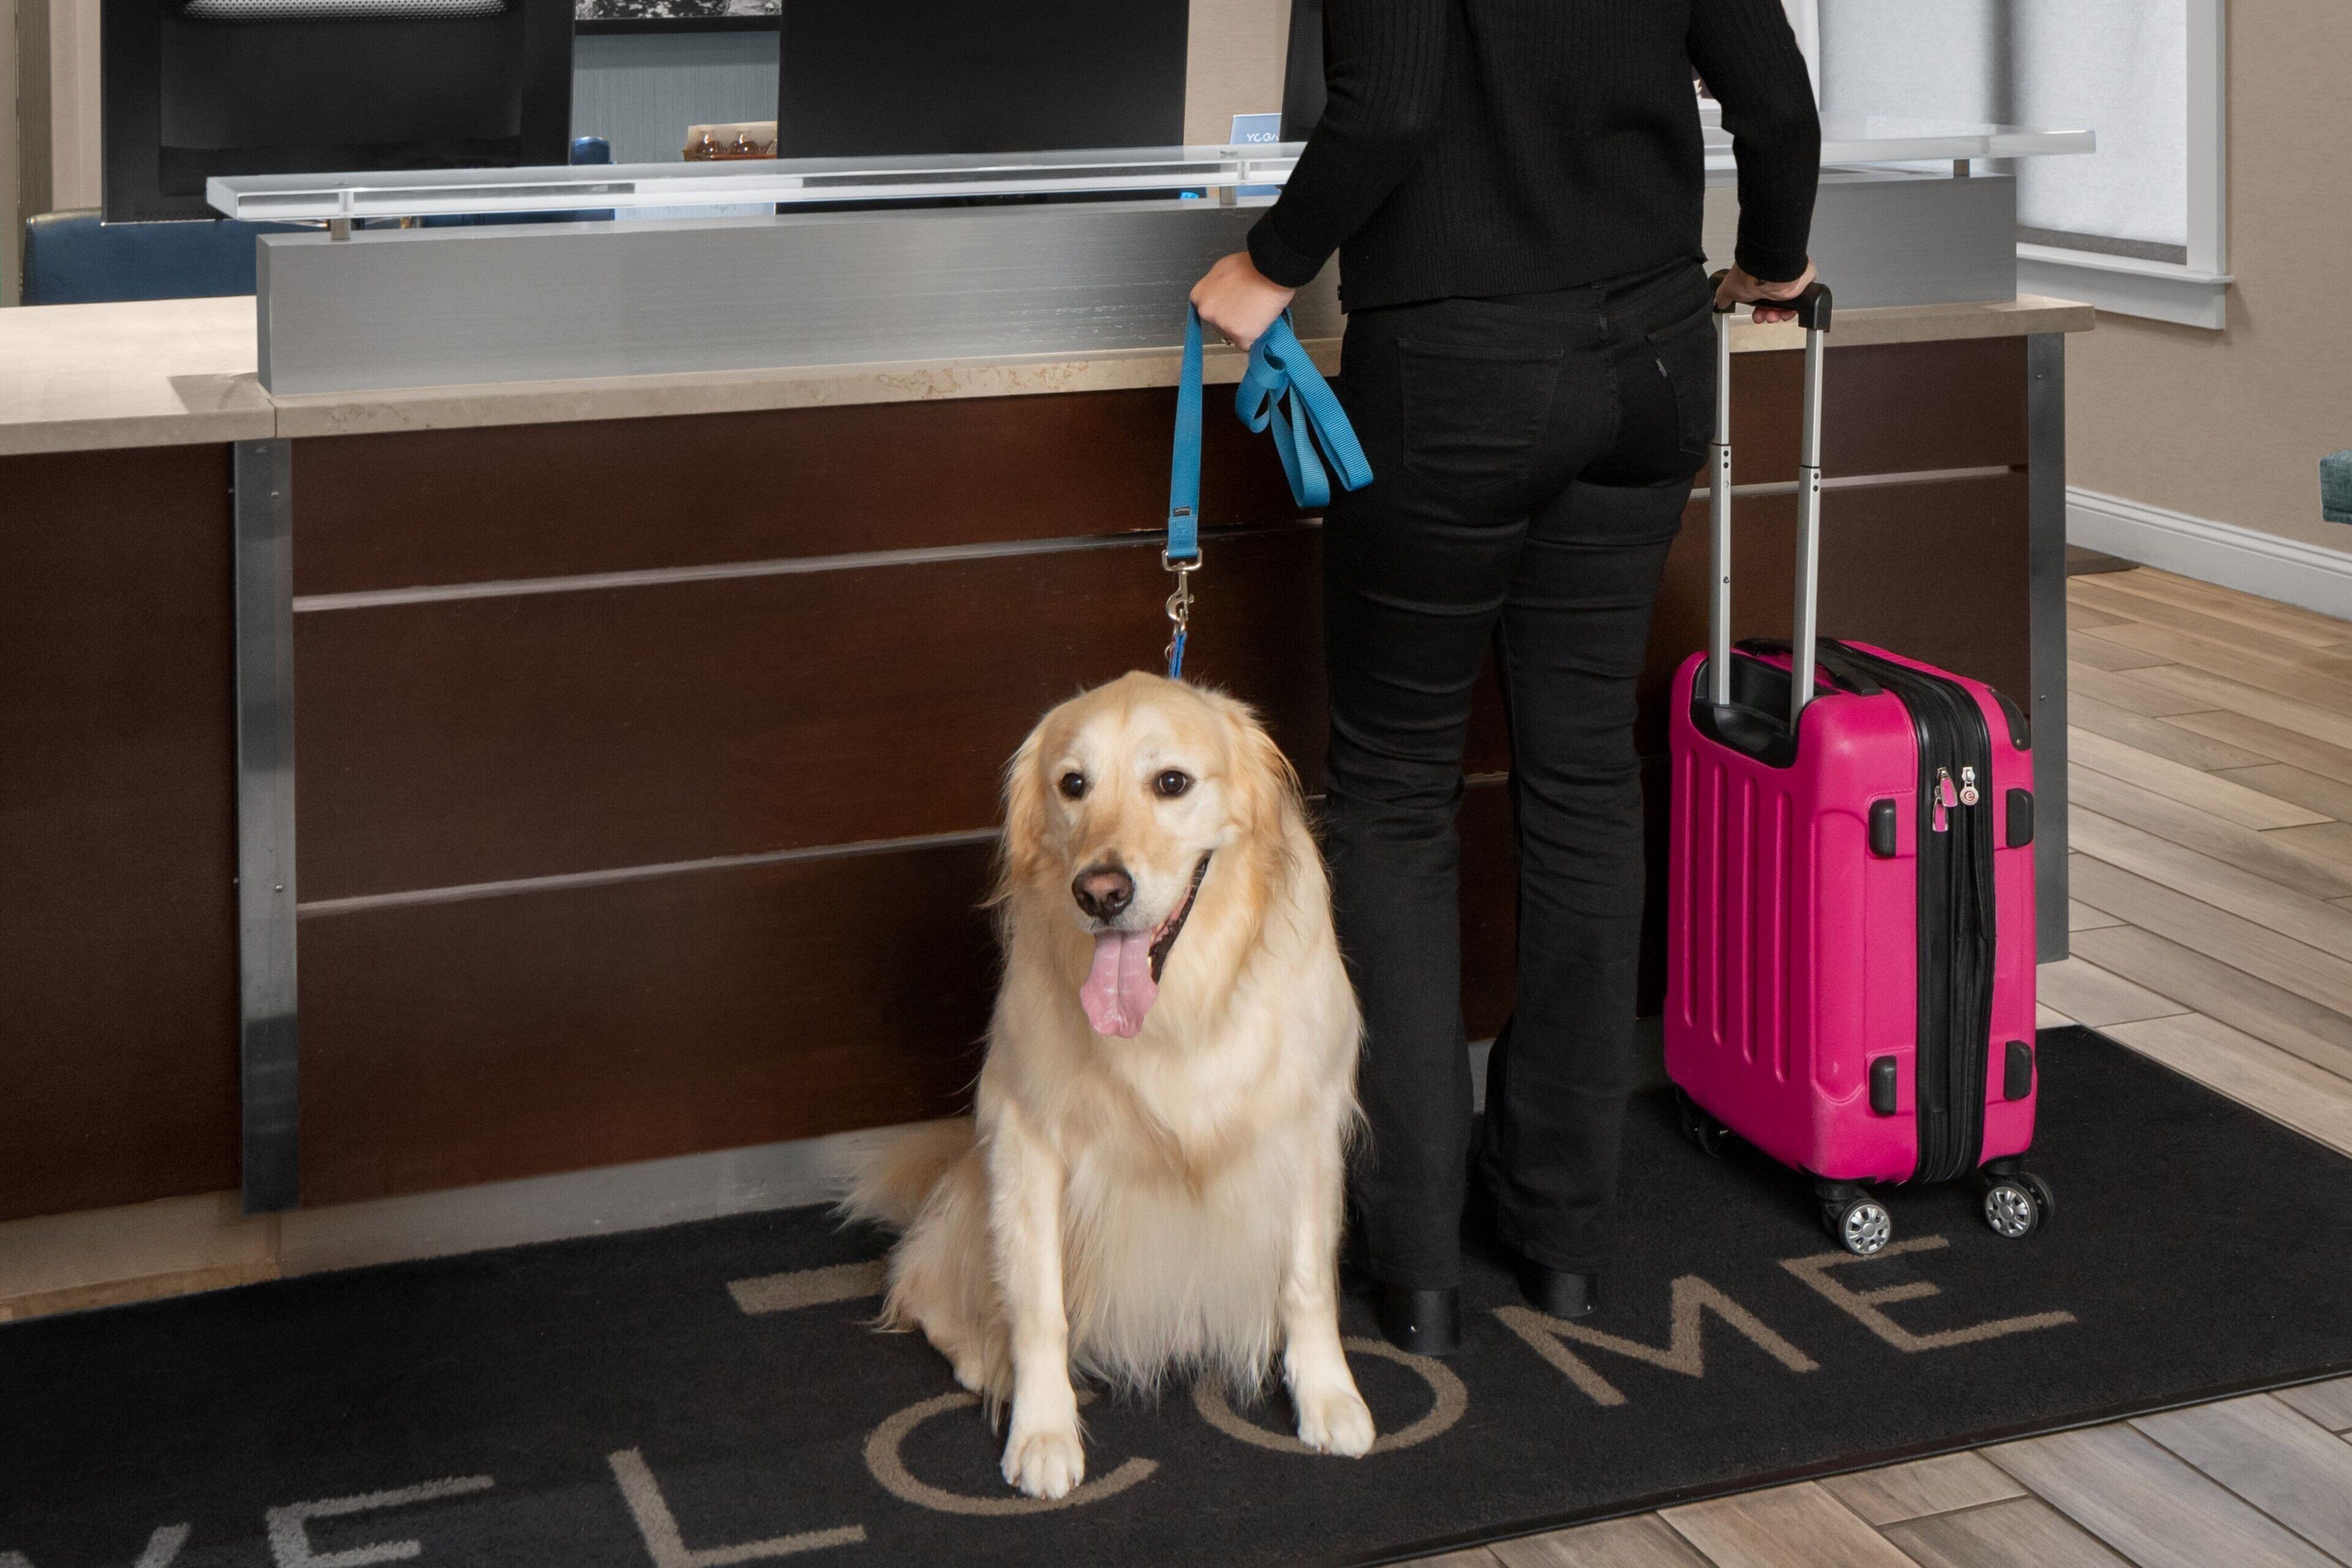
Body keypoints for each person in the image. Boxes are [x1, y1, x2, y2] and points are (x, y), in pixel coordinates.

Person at [1191, 0, 1822, 1354]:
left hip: (1457, 374)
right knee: (1587, 777)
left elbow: (1393, 106)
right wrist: (1770, 264)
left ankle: (1416, 1259)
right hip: (1653, 360)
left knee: (1398, 797)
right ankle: (1565, 1231)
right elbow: (1776, 107)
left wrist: (1269, 263)